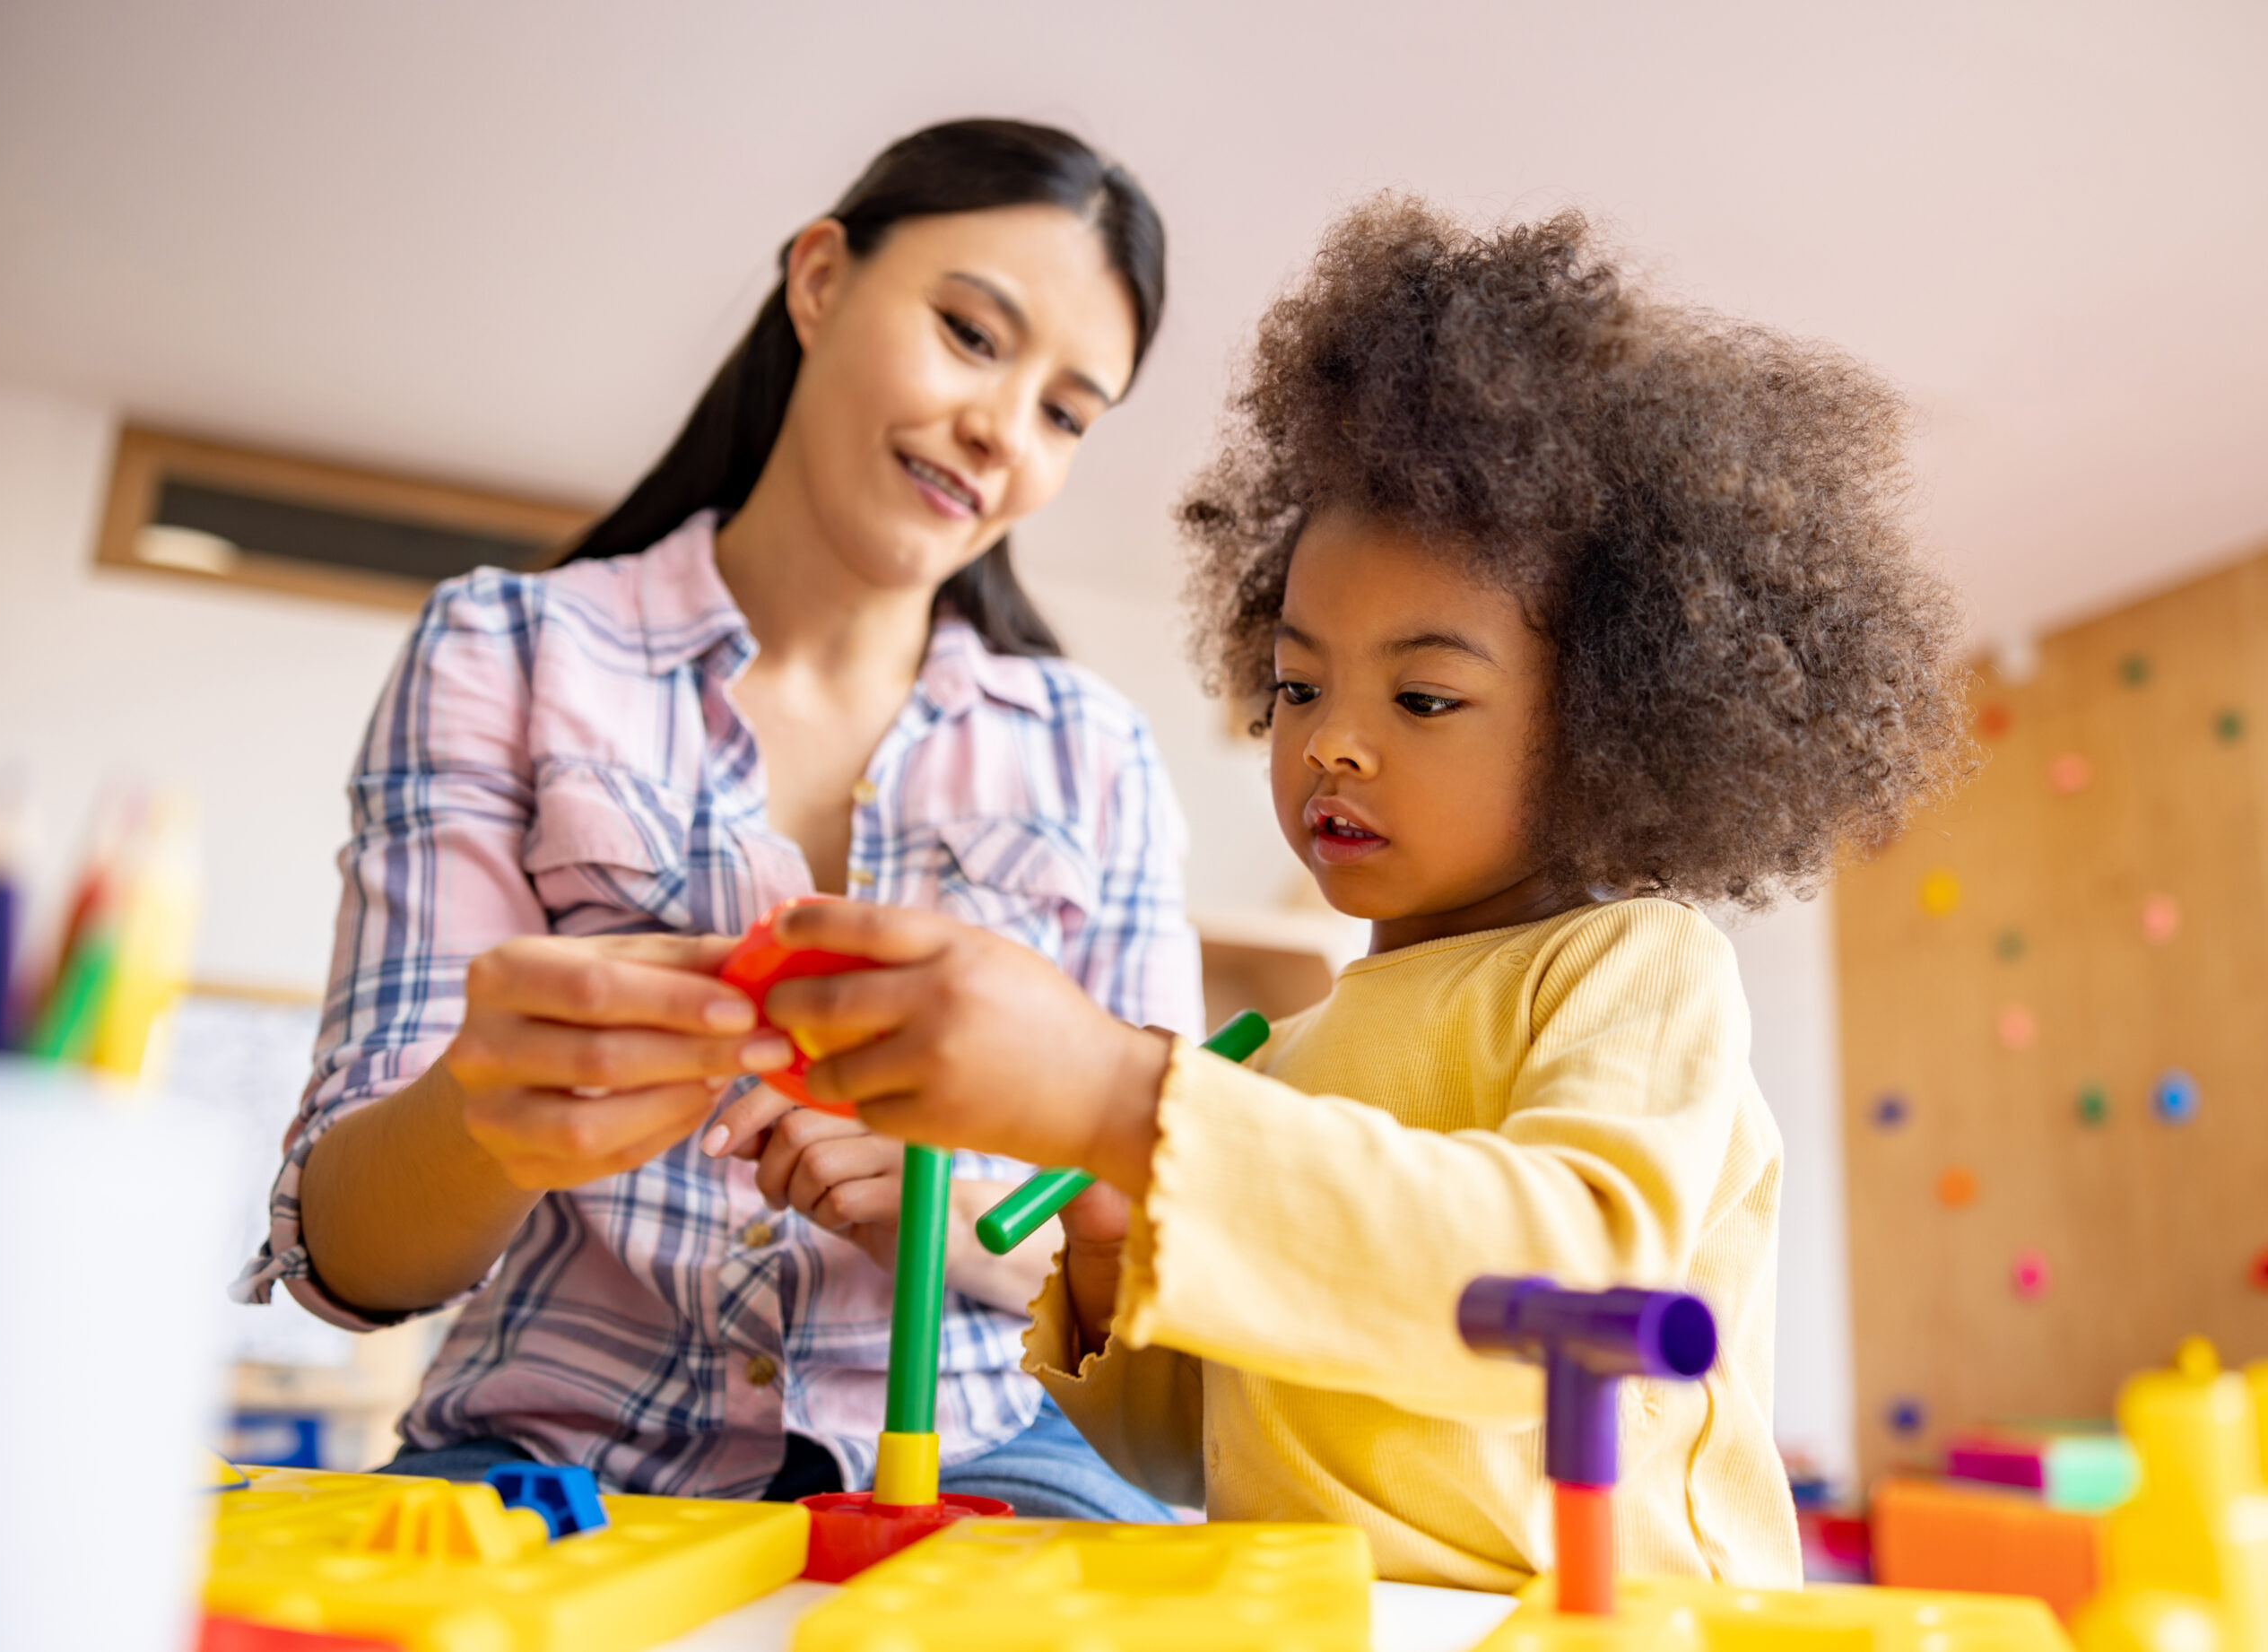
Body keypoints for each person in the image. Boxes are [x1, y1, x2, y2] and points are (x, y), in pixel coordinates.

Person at [718, 200, 1971, 1587]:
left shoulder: (1630, 967)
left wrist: (1125, 1099)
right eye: (1299, 683)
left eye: (1423, 694)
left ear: (1615, 720)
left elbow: (1553, 1288)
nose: (1333, 742)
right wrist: (1114, 1239)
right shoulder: (1295, 1046)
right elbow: (1185, 1446)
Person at [239, 118, 1199, 1520]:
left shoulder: (1097, 754)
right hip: (551, 1453)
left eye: (1066, 412)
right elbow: (350, 1259)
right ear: (819, 280)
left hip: (998, 1460)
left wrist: (955, 1220)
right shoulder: (505, 650)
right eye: (972, 335)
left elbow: (1161, 1276)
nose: (1004, 428)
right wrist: (491, 1114)